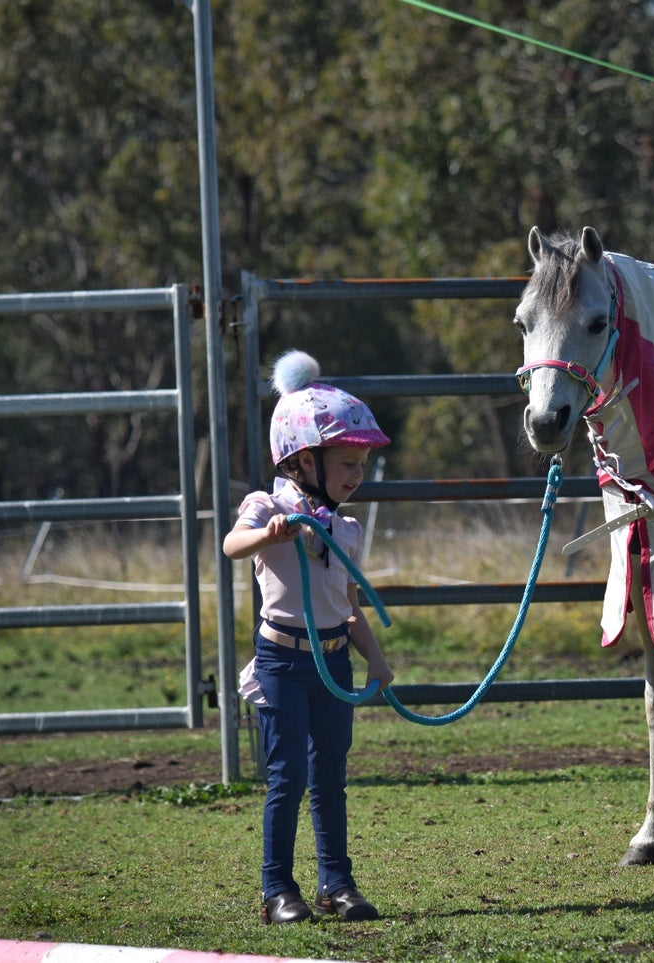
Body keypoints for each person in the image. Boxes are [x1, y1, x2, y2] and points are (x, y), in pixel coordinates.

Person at [224, 349, 396, 925]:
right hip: (282, 663)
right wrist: (268, 534)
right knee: (288, 776)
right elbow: (231, 545)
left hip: (334, 662)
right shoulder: (267, 506)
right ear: (302, 460)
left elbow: (349, 608)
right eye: (347, 462)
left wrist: (376, 661)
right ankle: (277, 889)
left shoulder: (345, 529)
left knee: (330, 777)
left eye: (361, 464)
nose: (357, 474)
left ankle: (336, 883)